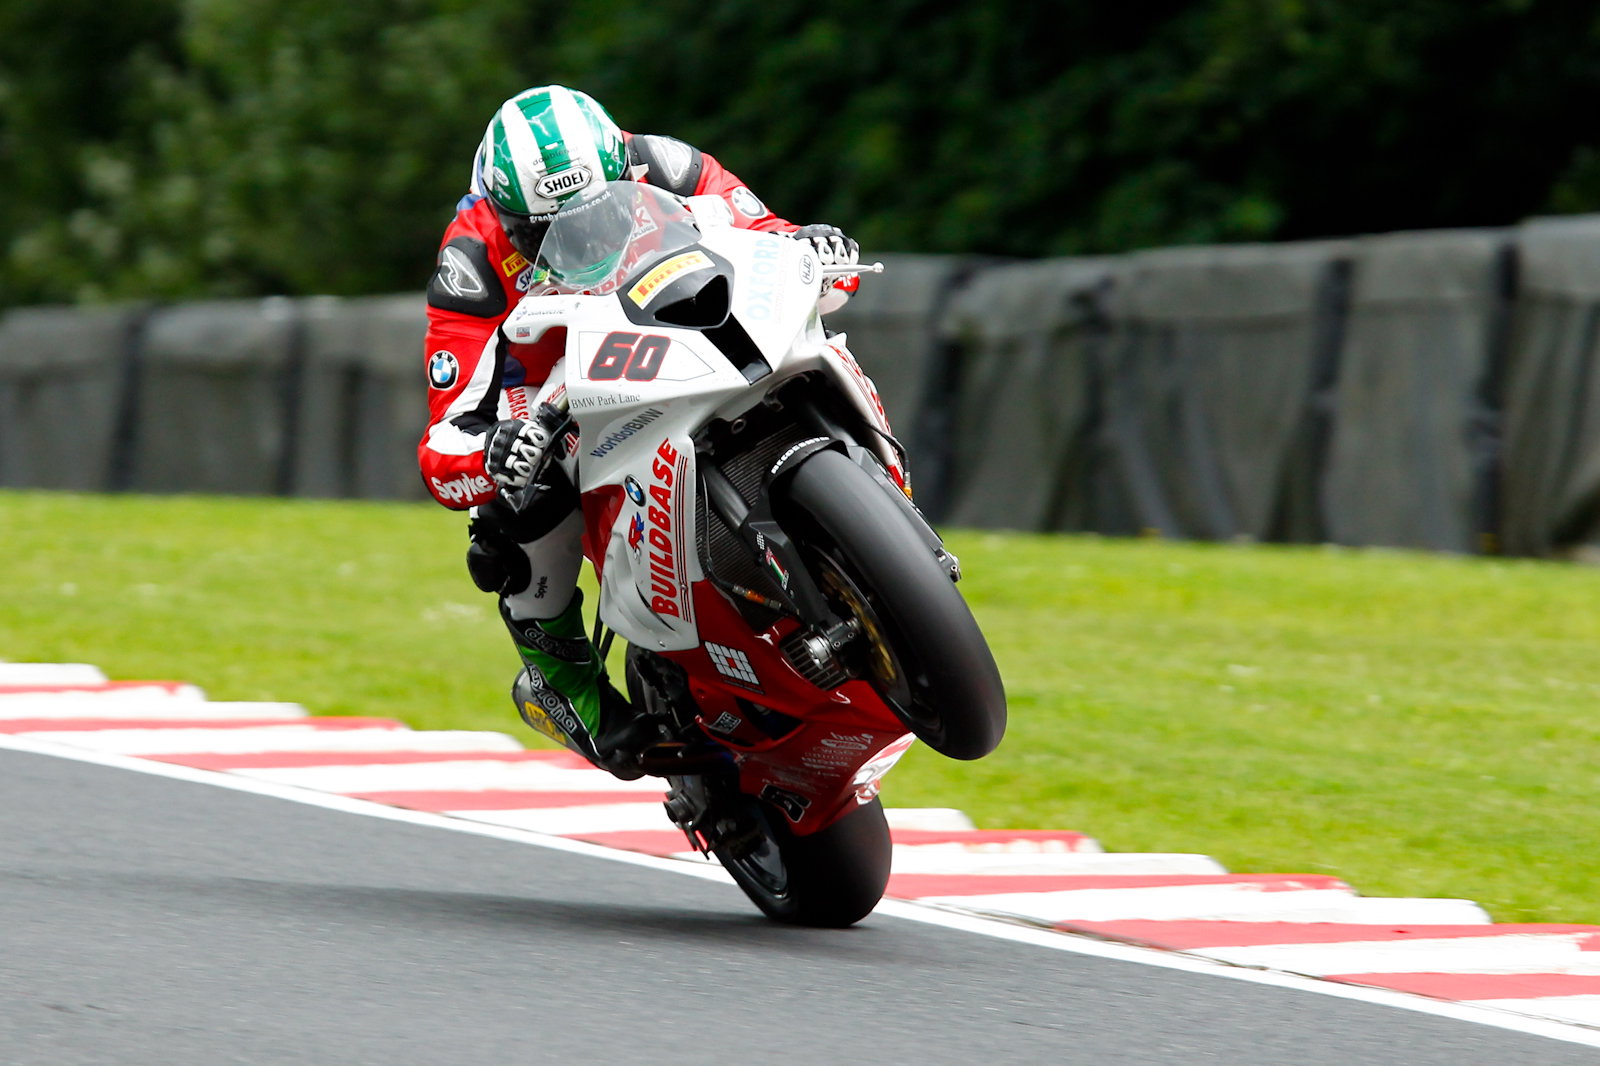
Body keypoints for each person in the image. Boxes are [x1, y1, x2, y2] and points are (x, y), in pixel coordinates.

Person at [418, 84, 860, 778]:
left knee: (811, 332)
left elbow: (767, 230)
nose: (581, 239)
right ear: (507, 216)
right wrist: (494, 451)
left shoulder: (662, 161)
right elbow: (444, 443)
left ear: (620, 167)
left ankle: (868, 486)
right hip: (554, 379)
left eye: (595, 214)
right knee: (515, 507)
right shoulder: (469, 265)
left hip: (666, 313)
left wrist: (814, 248)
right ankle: (560, 683)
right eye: (546, 230)